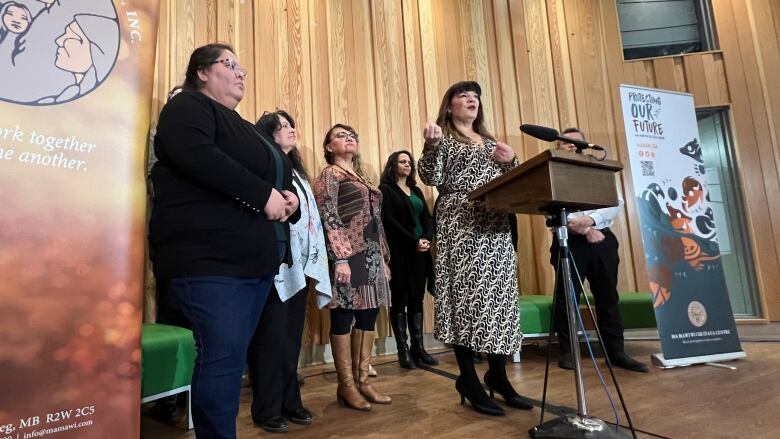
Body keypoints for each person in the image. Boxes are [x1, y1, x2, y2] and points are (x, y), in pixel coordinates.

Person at [149, 43, 300, 439]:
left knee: (231, 363)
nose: (240, 73)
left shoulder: (244, 127)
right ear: (201, 71)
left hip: (251, 265)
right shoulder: (187, 107)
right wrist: (263, 194)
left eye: (242, 68)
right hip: (210, 261)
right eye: (229, 64)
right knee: (222, 361)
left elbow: (274, 178)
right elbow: (198, 155)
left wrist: (289, 198)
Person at [419, 80, 532, 416]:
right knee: (466, 302)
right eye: (463, 96)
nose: (471, 100)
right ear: (450, 105)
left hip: (495, 226)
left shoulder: (492, 141)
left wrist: (511, 162)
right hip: (460, 225)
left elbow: (512, 182)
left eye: (476, 97)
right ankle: (468, 378)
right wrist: (430, 147)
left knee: (498, 303)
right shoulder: (443, 136)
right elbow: (431, 177)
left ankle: (498, 376)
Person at [247, 110, 333, 433]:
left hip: (298, 265)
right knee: (270, 339)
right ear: (267, 134)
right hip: (273, 264)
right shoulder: (263, 165)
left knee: (291, 337)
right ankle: (266, 407)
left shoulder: (296, 171)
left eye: (290, 124)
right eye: (282, 126)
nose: (290, 130)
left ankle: (290, 401)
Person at [552, 127, 648, 373]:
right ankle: (568, 351)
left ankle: (615, 351)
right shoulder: (553, 171)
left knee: (608, 296)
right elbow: (555, 206)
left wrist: (592, 222)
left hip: (602, 239)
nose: (573, 146)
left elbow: (615, 202)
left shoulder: (599, 169)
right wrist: (584, 229)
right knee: (567, 298)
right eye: (566, 143)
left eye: (578, 143)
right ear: (558, 147)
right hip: (568, 240)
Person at [313, 124, 392, 411]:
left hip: (371, 256)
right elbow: (328, 214)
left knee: (368, 315)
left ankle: (363, 381)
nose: (349, 138)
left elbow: (377, 221)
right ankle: (346, 385)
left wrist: (383, 257)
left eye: (353, 136)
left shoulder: (363, 177)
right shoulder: (329, 175)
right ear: (329, 147)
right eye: (341, 135)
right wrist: (341, 257)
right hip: (348, 255)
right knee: (344, 315)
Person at [379, 151, 438, 369]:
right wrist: (413, 240)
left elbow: (427, 219)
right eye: (403, 161)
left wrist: (426, 239)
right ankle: (403, 350)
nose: (408, 164)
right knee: (400, 298)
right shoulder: (385, 190)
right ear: (392, 164)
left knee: (417, 297)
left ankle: (418, 348)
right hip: (400, 252)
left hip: (420, 252)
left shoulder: (416, 190)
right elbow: (388, 221)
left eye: (410, 162)